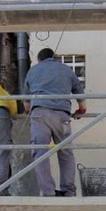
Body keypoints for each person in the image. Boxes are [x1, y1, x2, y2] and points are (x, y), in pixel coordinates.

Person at [24, 48, 86, 197]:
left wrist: (30, 112)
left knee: (40, 153)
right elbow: (79, 92)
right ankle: (68, 190)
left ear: (39, 59)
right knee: (65, 152)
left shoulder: (33, 71)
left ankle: (48, 191)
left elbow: (26, 102)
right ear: (55, 58)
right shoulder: (66, 69)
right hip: (61, 115)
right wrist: (81, 109)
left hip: (39, 114)